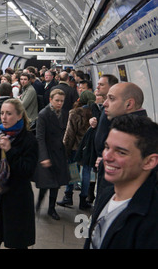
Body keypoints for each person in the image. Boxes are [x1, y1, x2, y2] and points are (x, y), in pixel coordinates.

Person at [85, 115, 158, 249]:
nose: (107, 157)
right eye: (107, 147)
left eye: (121, 152)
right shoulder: (108, 194)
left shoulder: (151, 222)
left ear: (149, 162)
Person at [0, 99, 38, 249]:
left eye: (9, 114)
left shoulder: (29, 140)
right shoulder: (0, 134)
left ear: (19, 116)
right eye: (2, 113)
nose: (4, 117)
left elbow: (27, 171)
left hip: (18, 201)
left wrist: (10, 151)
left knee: (18, 243)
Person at [94, 82, 148, 203]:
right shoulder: (130, 126)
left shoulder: (131, 133)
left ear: (129, 104)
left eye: (111, 99)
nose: (105, 104)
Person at [33, 89, 70, 220]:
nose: (60, 103)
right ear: (50, 100)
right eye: (57, 100)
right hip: (47, 152)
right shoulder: (44, 114)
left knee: (56, 183)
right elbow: (40, 137)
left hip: (59, 152)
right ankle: (38, 205)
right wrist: (43, 156)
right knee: (45, 182)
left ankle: (51, 208)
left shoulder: (64, 114)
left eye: (62, 101)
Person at [57, 90, 95, 210]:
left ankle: (68, 196)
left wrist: (65, 149)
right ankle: (83, 199)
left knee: (73, 170)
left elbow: (70, 134)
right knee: (87, 172)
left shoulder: (75, 113)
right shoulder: (95, 113)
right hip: (88, 148)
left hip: (75, 148)